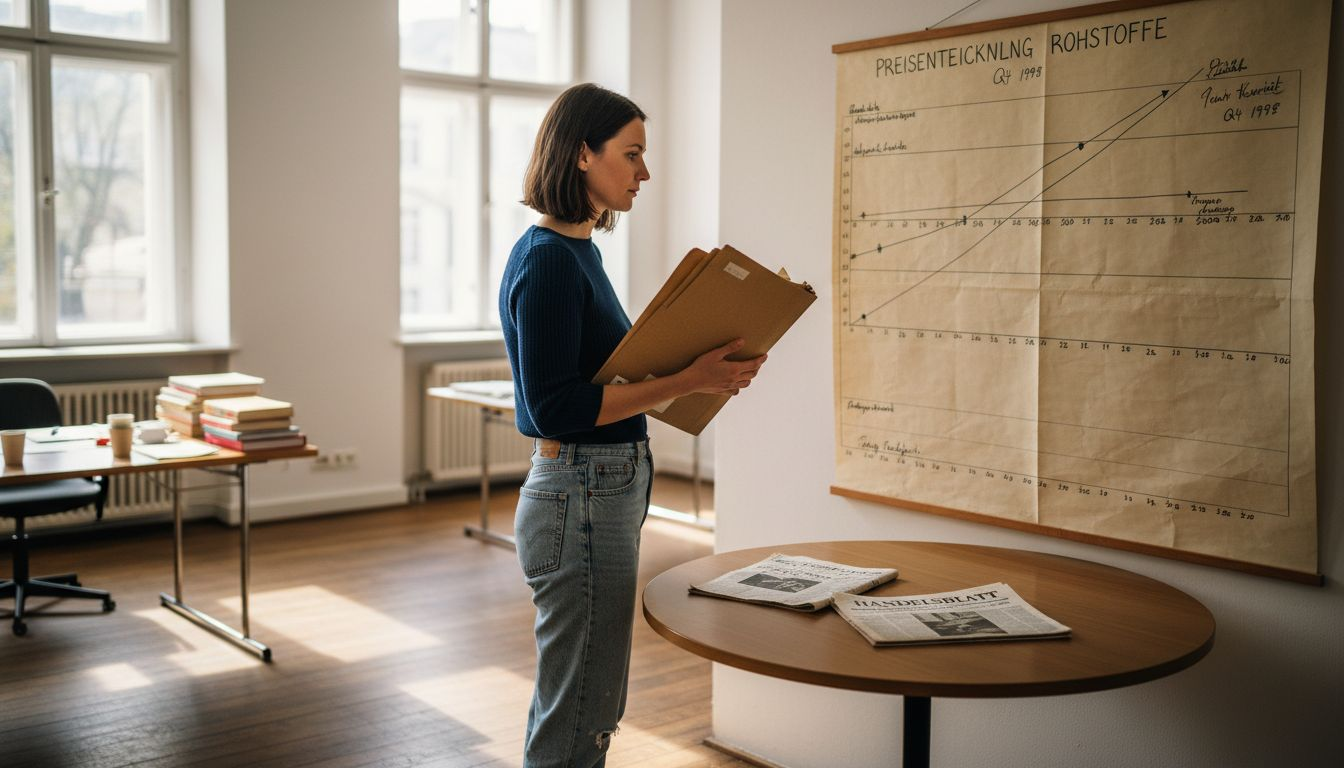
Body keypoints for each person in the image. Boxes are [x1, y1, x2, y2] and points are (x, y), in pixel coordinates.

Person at [500, 82, 766, 768]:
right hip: (580, 492)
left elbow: (598, 380)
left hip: (596, 489)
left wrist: (699, 371)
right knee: (582, 706)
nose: (645, 173)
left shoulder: (576, 250)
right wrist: (687, 380)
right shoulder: (551, 261)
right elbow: (555, 407)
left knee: (589, 700)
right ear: (583, 154)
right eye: (633, 154)